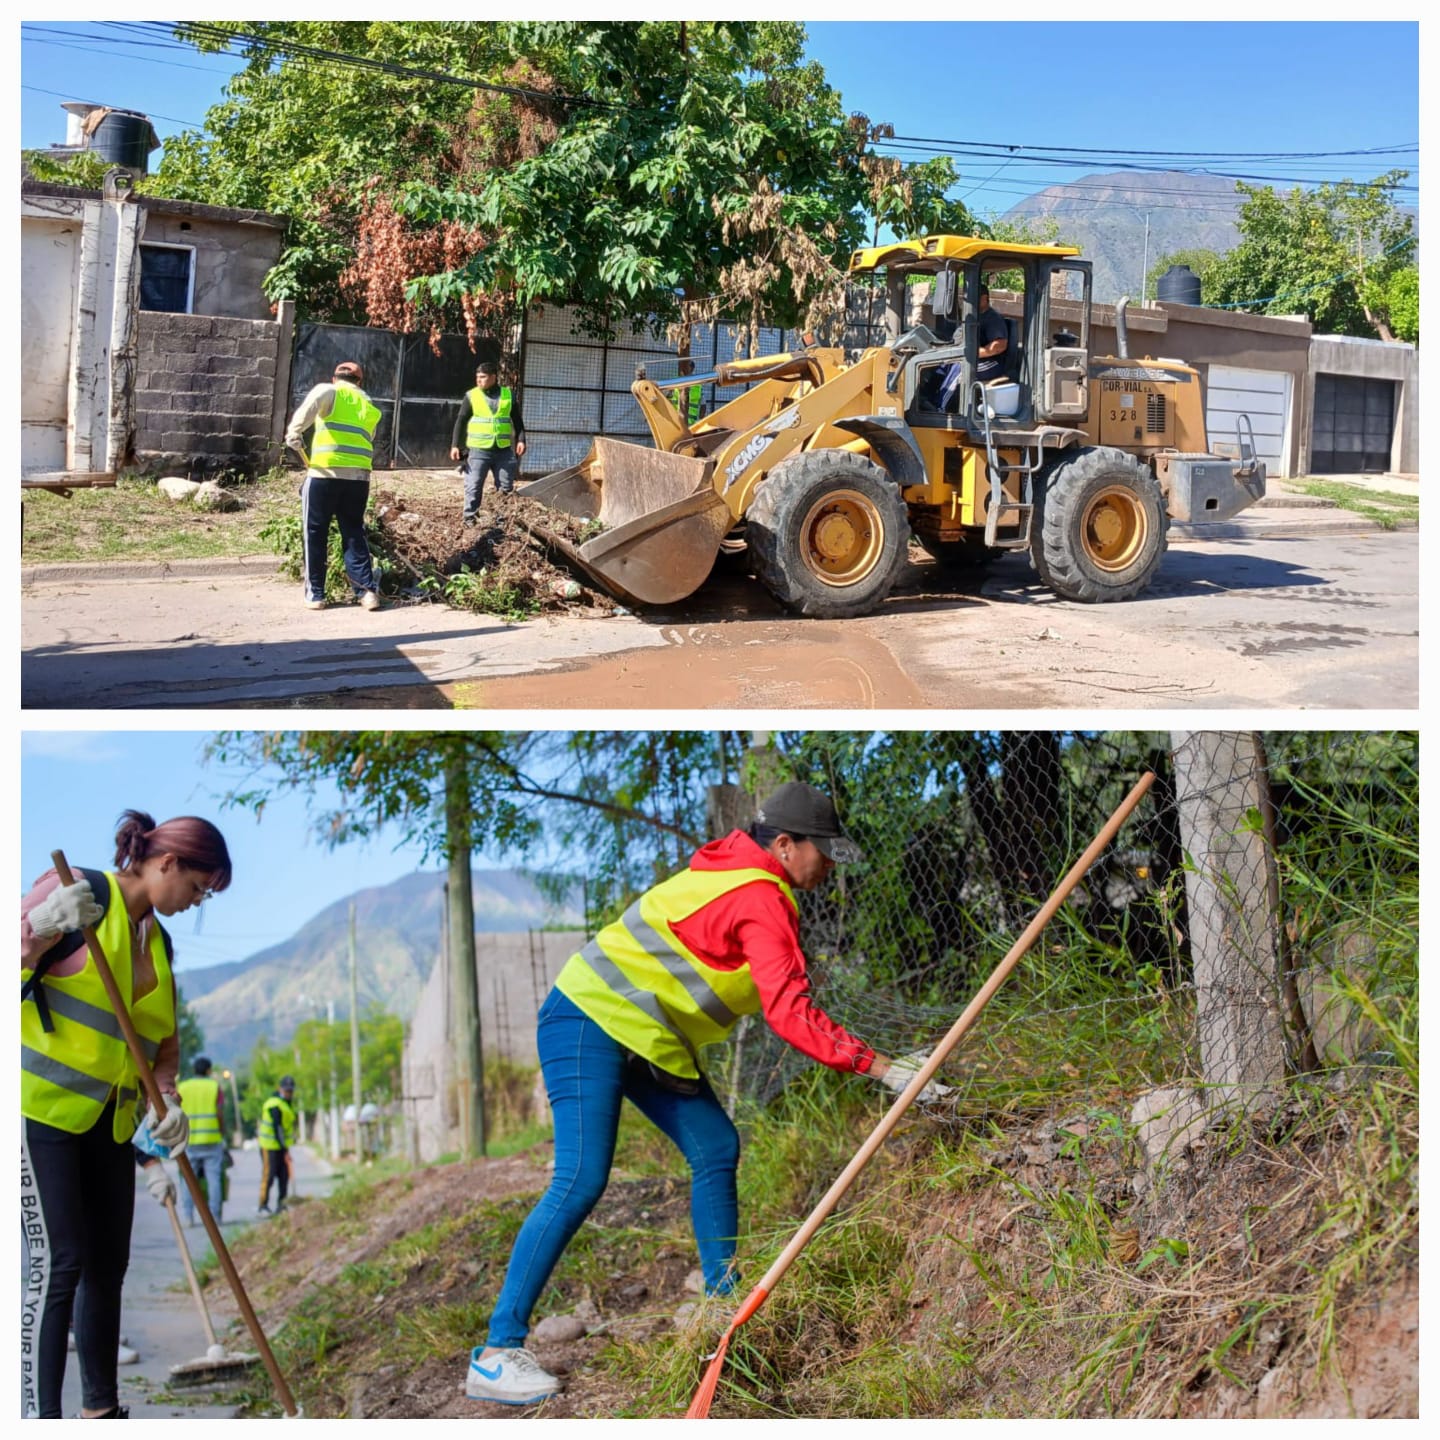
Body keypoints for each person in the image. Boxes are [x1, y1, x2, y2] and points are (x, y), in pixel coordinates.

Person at [464, 782, 950, 1407]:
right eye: (821, 850)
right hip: (587, 1018)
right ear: (783, 844)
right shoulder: (759, 896)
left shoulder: (741, 876)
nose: (828, 863)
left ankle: (721, 1306)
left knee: (716, 1145)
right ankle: (498, 1353)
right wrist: (885, 1069)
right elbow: (790, 1014)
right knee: (581, 1177)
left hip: (645, 1034)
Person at [21, 810, 233, 1419]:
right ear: (167, 863)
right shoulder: (79, 892)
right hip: (41, 1117)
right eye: (197, 888)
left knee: (108, 1268)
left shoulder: (158, 942)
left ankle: (101, 1412)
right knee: (60, 1264)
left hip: (109, 1127)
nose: (196, 903)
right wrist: (37, 926)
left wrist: (166, 1110)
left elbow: (159, 1049)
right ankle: (40, 1417)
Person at [284, 359, 384, 613]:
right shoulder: (369, 405)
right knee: (353, 531)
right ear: (360, 382)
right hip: (358, 478)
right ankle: (366, 592)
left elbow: (304, 415)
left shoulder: (328, 391)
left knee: (315, 532)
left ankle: (316, 593)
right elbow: (367, 437)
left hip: (323, 474)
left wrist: (294, 434)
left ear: (334, 378)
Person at [449, 359, 527, 523]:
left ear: (494, 377)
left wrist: (521, 440)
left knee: (505, 488)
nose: (479, 380)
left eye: (483, 377)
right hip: (478, 451)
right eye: (477, 377)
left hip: (503, 451)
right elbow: (461, 420)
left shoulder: (508, 395)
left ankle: (502, 522)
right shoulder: (472, 395)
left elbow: (517, 421)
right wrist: (455, 445)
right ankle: (470, 519)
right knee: (474, 486)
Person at [177, 1055, 226, 1226]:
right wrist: (222, 1132)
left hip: (188, 1140)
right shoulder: (214, 1087)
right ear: (208, 1070)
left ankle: (188, 1216)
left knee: (188, 1179)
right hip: (211, 1139)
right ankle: (215, 1217)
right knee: (213, 1178)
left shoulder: (183, 1087)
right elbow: (219, 1113)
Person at [258, 1076, 297, 1215]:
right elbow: (277, 1127)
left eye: (291, 1091)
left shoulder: (287, 1103)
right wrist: (284, 1147)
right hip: (269, 1147)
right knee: (269, 1176)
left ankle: (282, 1205)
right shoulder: (274, 1104)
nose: (289, 1093)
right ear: (280, 1089)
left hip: (281, 1146)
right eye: (286, 1090)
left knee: (284, 1176)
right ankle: (262, 1206)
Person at [975, 284, 1010, 384]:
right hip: (974, 359)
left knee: (961, 371)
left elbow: (999, 346)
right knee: (941, 366)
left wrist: (972, 354)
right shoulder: (974, 316)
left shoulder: (992, 318)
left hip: (991, 362)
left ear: (984, 298)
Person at [677, 357, 704, 427]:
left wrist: (701, 421)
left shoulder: (697, 384)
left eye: (688, 367)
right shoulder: (675, 382)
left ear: (692, 369)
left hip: (691, 423)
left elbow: (703, 404)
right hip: (676, 422)